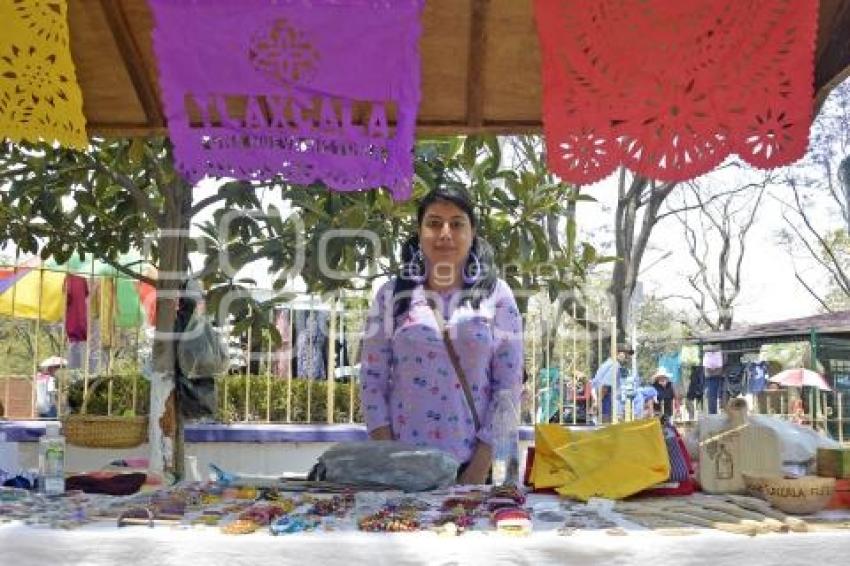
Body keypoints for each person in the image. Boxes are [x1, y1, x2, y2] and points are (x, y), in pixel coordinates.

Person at [359, 185, 524, 485]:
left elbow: (508, 391)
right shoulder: (392, 296)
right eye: (434, 223)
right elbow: (372, 382)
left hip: (473, 469)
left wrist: (477, 471)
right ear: (419, 233)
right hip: (404, 473)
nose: (445, 233)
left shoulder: (497, 296)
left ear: (472, 232)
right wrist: (390, 460)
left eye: (457, 224)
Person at [590, 344, 634, 422]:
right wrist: (597, 403)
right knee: (606, 426)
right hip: (605, 401)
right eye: (625, 353)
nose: (627, 356)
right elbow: (605, 386)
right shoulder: (615, 365)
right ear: (617, 353)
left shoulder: (607, 364)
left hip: (603, 398)